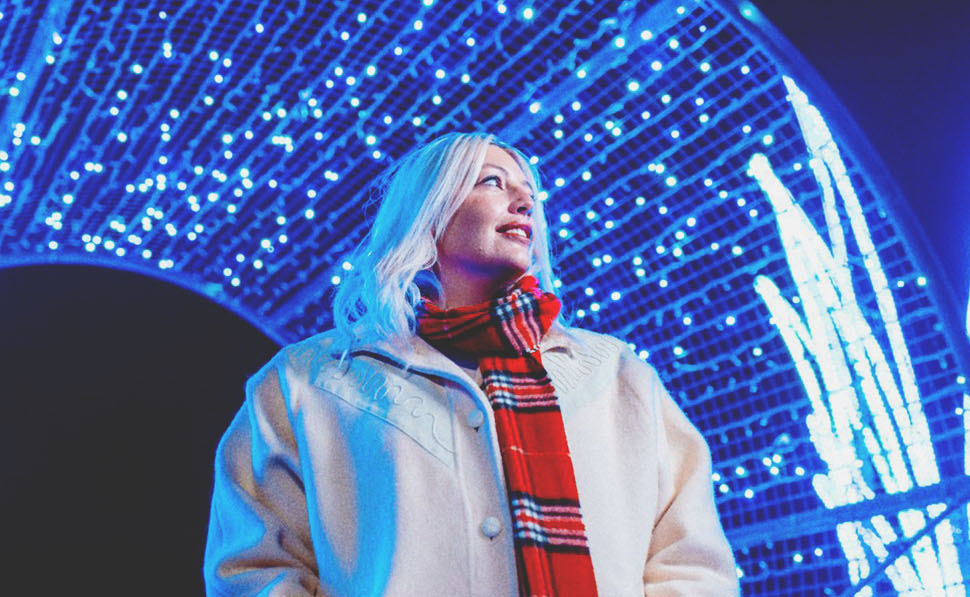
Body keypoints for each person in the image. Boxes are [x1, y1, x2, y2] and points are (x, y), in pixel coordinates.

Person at [204, 132, 738, 596]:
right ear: (427, 209)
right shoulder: (306, 382)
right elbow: (254, 570)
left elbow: (689, 561)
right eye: (492, 182)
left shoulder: (618, 377)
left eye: (528, 191)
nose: (524, 200)